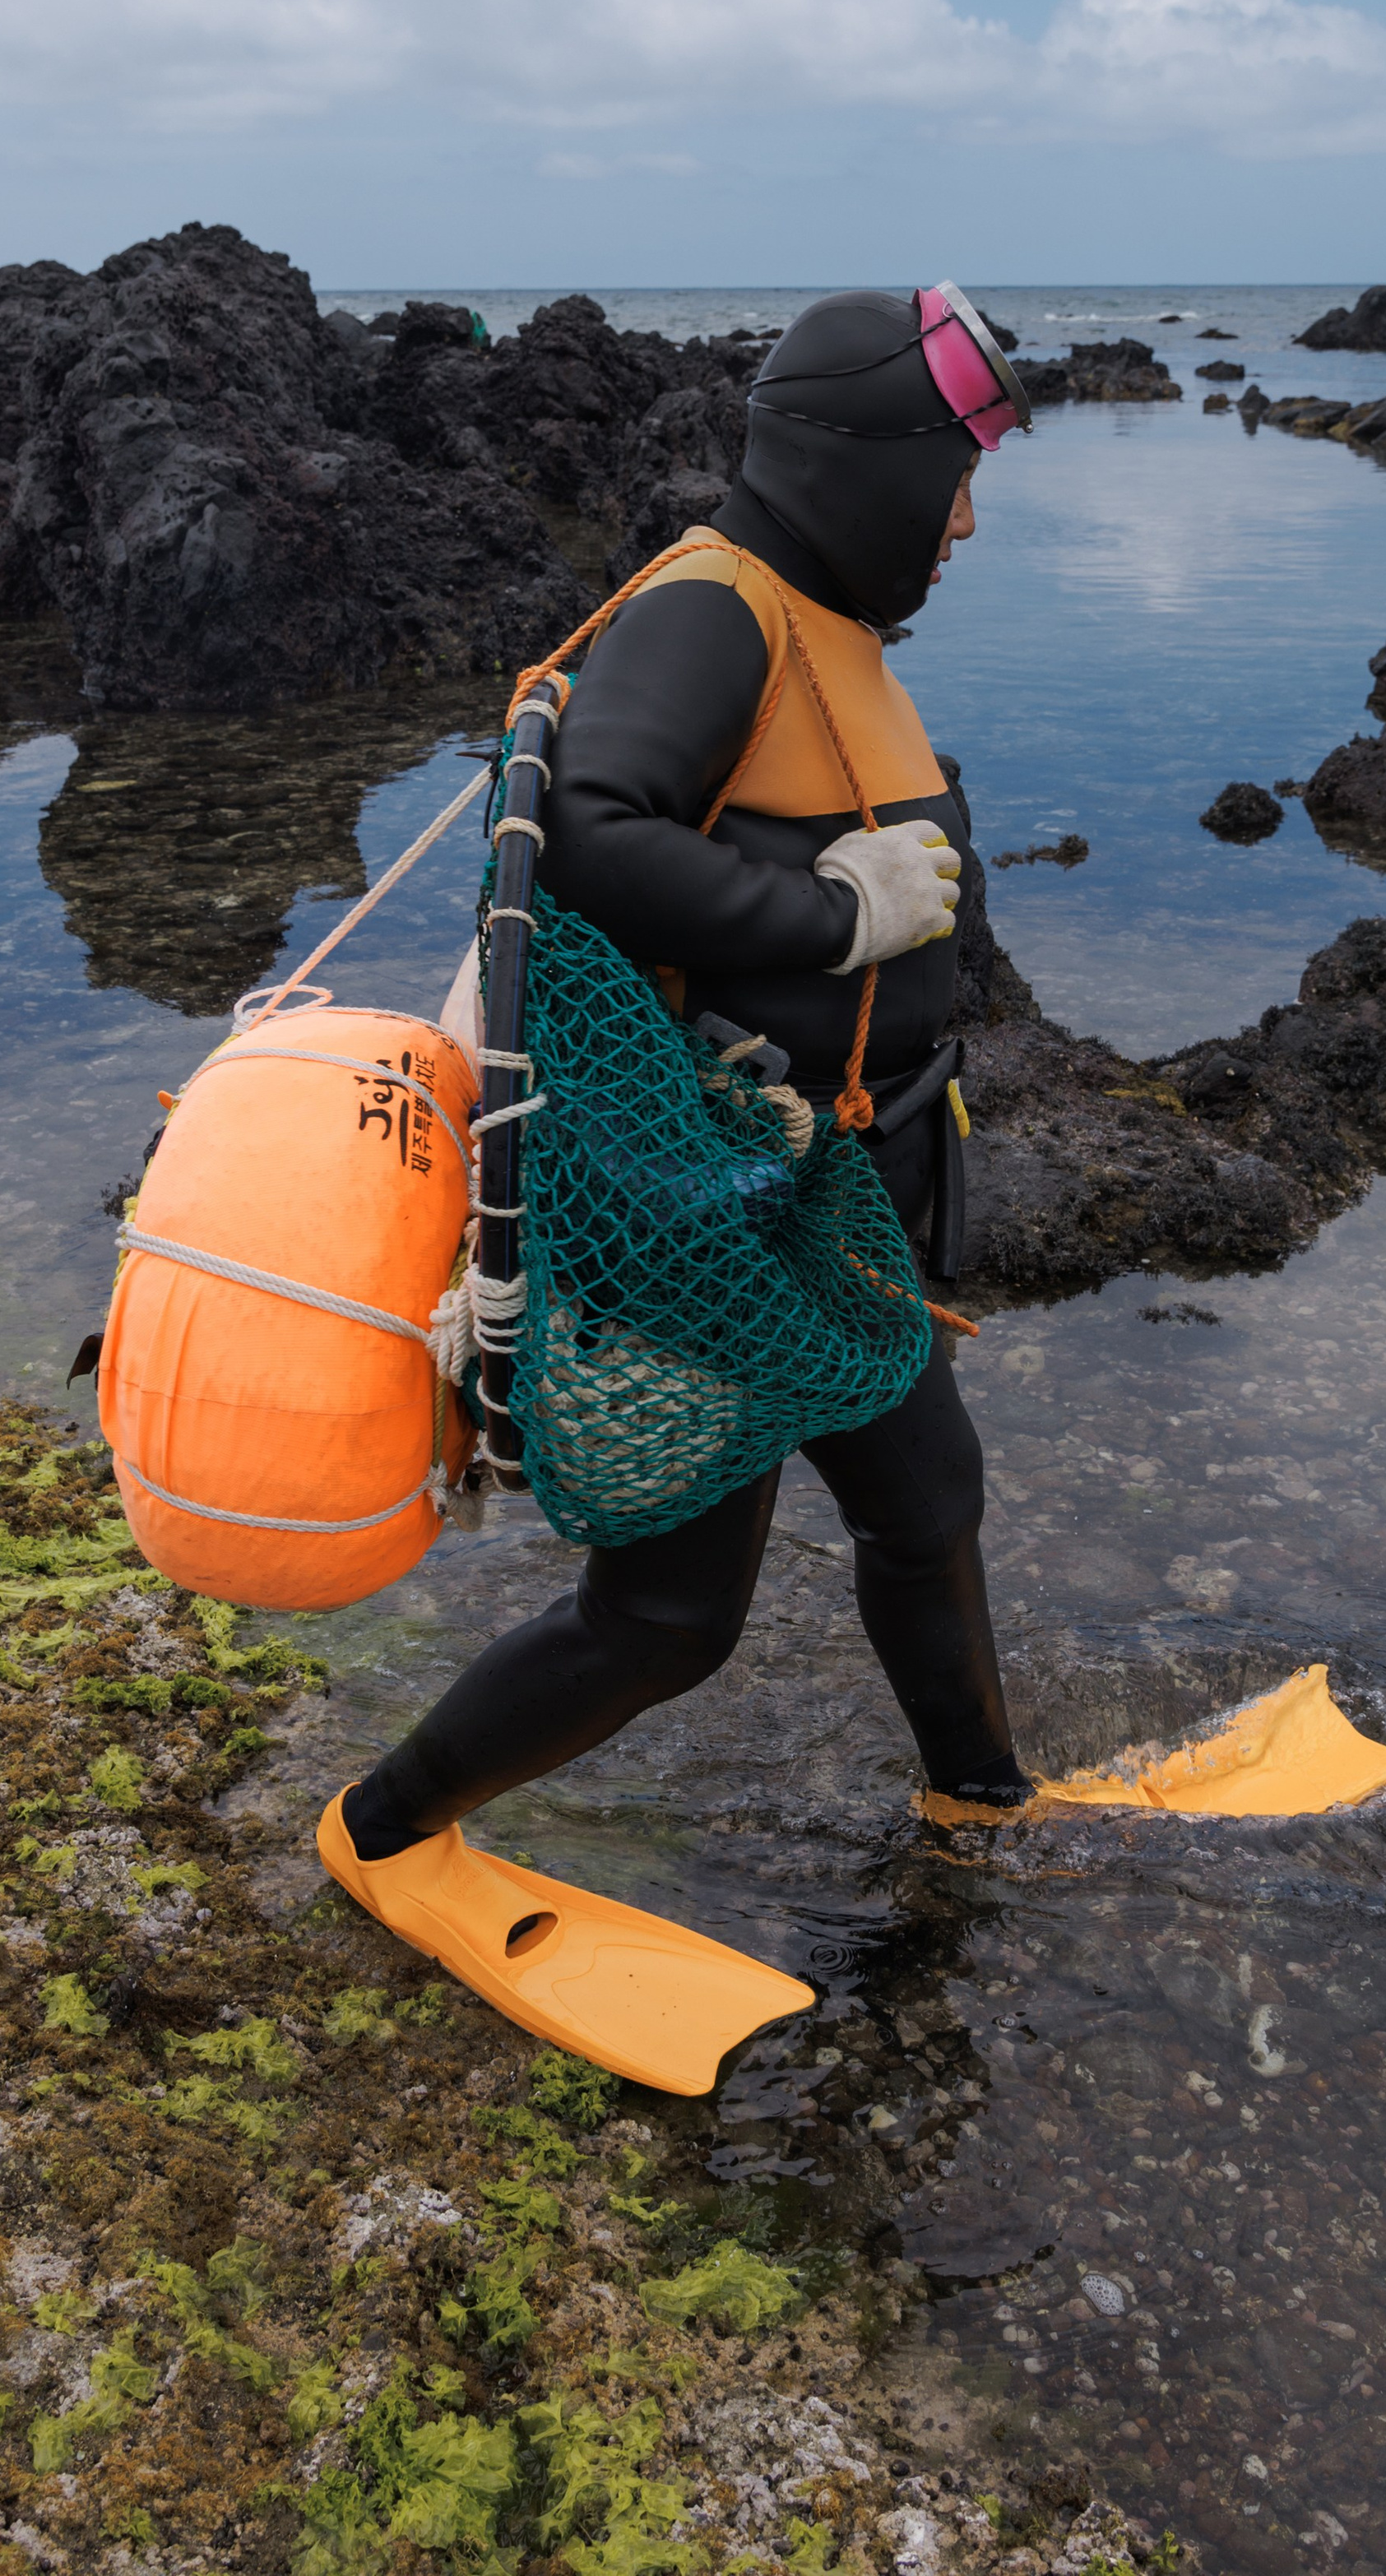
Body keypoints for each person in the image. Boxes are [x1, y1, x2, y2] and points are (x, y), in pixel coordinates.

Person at [338, 284, 1036, 1868]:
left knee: (927, 1507)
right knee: (667, 1619)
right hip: (701, 1212)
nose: (970, 523)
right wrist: (831, 912)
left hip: (827, 1195)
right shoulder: (714, 609)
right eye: (958, 477)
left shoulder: (824, 626)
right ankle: (379, 1831)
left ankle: (981, 1809)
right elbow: (591, 827)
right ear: (862, 462)